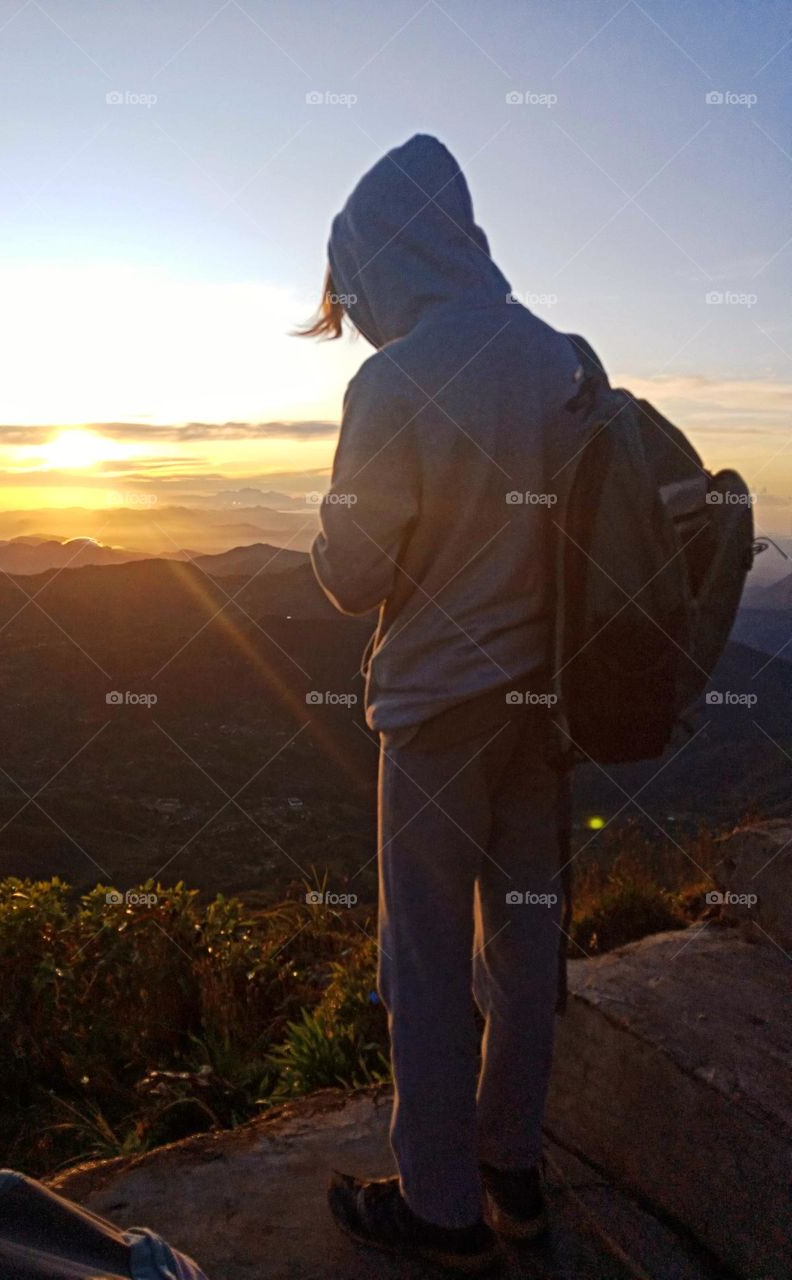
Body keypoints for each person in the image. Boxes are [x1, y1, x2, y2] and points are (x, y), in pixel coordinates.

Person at [301, 134, 586, 1274]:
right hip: (546, 706)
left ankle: (438, 1201)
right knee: (524, 942)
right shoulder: (564, 358)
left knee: (421, 955)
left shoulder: (393, 382)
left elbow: (354, 573)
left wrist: (327, 526)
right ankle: (513, 1170)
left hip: (434, 711)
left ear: (382, 259)